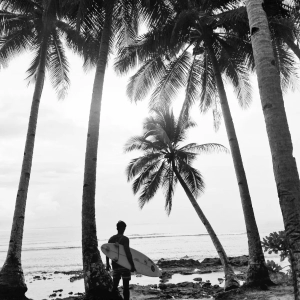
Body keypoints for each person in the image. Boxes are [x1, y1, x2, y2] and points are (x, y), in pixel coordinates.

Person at [106, 221, 136, 300]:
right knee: (125, 287)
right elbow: (127, 252)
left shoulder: (111, 239)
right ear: (123, 228)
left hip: (115, 265)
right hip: (124, 265)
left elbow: (107, 251)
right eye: (124, 228)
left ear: (117, 228)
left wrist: (107, 264)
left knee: (115, 286)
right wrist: (132, 265)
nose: (124, 229)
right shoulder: (125, 239)